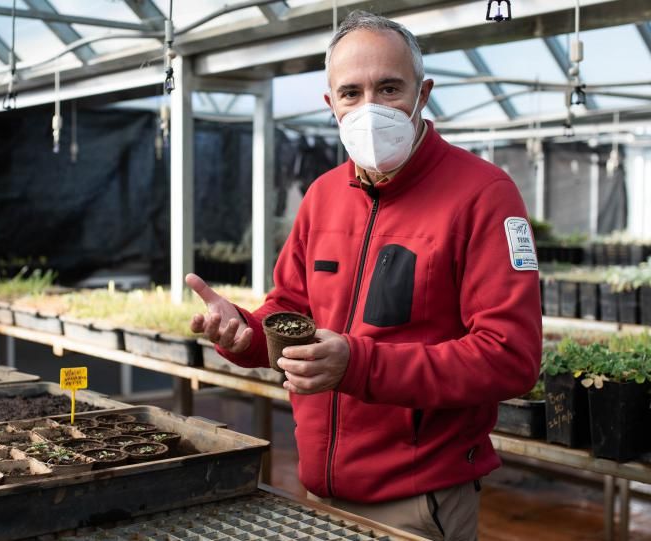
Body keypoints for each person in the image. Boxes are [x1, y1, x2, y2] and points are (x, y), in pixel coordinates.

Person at [186, 10, 541, 540]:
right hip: (320, 489)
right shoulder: (323, 196)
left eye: (390, 88)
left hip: (418, 501)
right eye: (351, 93)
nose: (369, 107)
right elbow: (291, 311)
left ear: (423, 94)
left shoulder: (484, 195)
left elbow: (510, 356)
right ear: (331, 105)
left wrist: (358, 363)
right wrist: (245, 332)